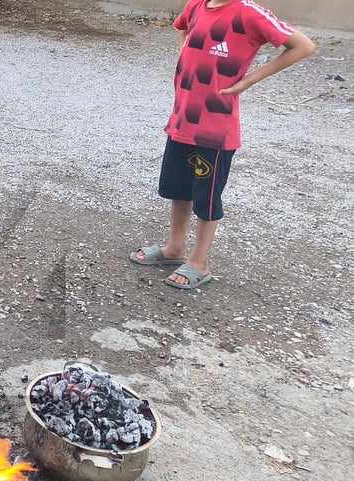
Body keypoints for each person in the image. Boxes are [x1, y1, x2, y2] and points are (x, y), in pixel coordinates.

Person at [131, 0, 315, 289]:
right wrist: (184, 54)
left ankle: (199, 262)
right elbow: (182, 27)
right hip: (182, 120)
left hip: (215, 130)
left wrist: (247, 81)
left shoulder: (248, 13)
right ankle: (174, 248)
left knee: (206, 198)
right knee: (178, 189)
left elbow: (303, 46)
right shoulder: (196, 5)